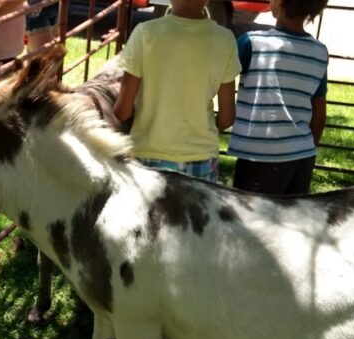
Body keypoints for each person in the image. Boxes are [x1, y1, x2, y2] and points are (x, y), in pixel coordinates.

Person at [113, 0, 240, 183]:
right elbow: (227, 118)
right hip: (202, 158)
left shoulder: (145, 33)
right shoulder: (225, 39)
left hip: (148, 156)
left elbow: (122, 111)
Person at [227, 0, 329, 195]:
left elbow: (220, 79)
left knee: (252, 221)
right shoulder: (319, 51)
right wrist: (303, 148)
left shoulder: (251, 42)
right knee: (290, 222)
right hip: (302, 158)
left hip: (259, 156)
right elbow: (319, 115)